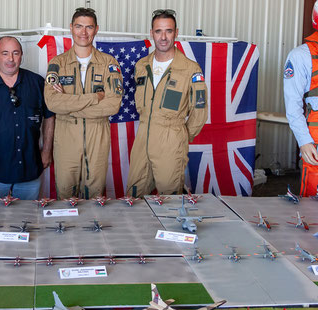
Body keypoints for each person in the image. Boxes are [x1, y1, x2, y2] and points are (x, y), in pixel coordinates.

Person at [126, 9, 208, 196]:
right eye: (158, 31)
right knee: (134, 196)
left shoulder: (190, 69)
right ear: (151, 33)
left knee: (169, 198)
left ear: (176, 33)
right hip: (143, 139)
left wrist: (181, 137)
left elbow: (200, 111)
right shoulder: (141, 66)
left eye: (168, 31)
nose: (163, 37)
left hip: (171, 140)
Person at [44, 7, 123, 199]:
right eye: (79, 26)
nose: (83, 32)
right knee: (65, 194)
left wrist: (71, 108)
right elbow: (53, 103)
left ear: (96, 29)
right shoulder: (57, 63)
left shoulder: (109, 63)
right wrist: (94, 98)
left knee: (95, 196)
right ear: (71, 28)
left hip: (97, 137)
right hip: (66, 139)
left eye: (89, 27)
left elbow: (113, 105)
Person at [0, 36, 54, 199]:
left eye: (15, 53)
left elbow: (49, 117)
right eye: (5, 53)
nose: (10, 59)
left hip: (29, 169)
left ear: (21, 55)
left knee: (27, 219)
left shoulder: (37, 83)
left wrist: (47, 151)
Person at [283, 1, 318, 197]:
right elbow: (293, 105)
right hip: (315, 140)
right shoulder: (301, 56)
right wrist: (304, 141)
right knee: (314, 205)